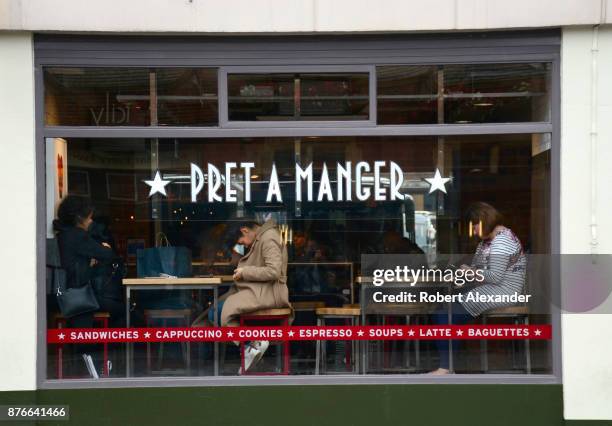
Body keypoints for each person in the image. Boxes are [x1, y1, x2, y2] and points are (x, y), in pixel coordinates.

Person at [429, 202, 527, 375]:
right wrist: (467, 272)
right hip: (490, 288)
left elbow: (494, 276)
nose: (473, 231)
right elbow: (479, 268)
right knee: (443, 307)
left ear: (484, 221)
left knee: (446, 313)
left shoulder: (502, 241)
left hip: (503, 291)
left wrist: (471, 272)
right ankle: (448, 364)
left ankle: (446, 367)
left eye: (474, 226)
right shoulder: (488, 241)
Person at [53, 195, 125, 377]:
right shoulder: (77, 236)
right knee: (124, 311)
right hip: (78, 297)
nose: (91, 221)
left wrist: (90, 262)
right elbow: (107, 255)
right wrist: (105, 248)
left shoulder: (62, 234)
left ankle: (96, 358)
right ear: (80, 218)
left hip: (63, 295)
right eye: (89, 217)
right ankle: (104, 358)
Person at [209, 217, 291, 374]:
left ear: (244, 230)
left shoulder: (268, 238)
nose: (244, 245)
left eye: (241, 242)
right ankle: (251, 345)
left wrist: (245, 272)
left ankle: (253, 343)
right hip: (260, 291)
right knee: (217, 311)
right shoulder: (262, 238)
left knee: (217, 312)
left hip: (269, 293)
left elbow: (273, 271)